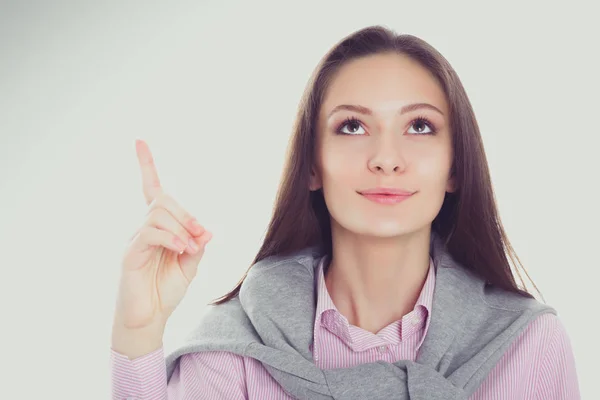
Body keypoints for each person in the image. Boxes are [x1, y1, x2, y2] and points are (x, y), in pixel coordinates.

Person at [110, 25, 580, 399]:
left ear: (455, 166)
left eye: (420, 126)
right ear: (312, 165)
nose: (386, 158)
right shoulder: (235, 349)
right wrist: (139, 332)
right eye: (352, 126)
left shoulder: (527, 344)